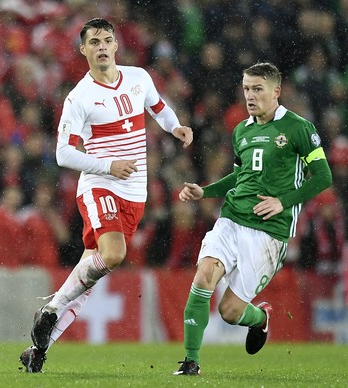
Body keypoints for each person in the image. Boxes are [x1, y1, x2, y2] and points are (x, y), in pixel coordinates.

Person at [19, 18, 193, 373]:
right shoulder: (79, 98)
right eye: (94, 41)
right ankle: (51, 310)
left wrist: (175, 126)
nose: (102, 46)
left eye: (107, 40)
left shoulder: (139, 78)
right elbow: (63, 155)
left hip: (135, 192)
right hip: (100, 186)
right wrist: (107, 166)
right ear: (83, 49)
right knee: (113, 255)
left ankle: (39, 347)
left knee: (91, 271)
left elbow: (159, 108)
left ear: (116, 46)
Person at [173, 62, 333, 376]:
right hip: (231, 220)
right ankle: (191, 361)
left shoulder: (299, 128)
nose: (250, 95)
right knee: (204, 273)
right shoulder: (241, 130)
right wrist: (204, 193)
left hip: (269, 233)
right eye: (246, 88)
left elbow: (323, 176)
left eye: (257, 89)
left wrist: (282, 201)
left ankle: (260, 319)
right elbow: (239, 178)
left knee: (230, 311)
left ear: (276, 91)